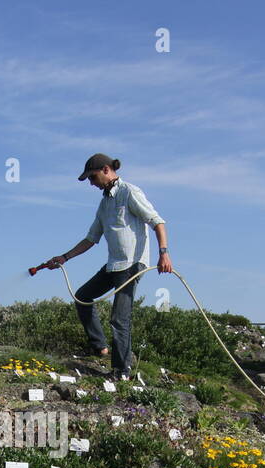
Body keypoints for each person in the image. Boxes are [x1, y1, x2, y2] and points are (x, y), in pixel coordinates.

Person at [43, 153, 171, 380]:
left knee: (119, 318)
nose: (91, 183)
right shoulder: (104, 204)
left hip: (132, 264)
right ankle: (100, 347)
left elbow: (157, 221)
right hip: (113, 265)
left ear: (105, 170)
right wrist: (64, 257)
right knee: (83, 296)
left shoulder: (129, 192)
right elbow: (91, 238)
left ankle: (122, 371)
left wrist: (164, 253)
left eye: (92, 178)